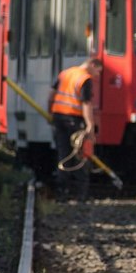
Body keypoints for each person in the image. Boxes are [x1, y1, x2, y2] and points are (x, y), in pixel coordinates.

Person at [49, 55, 101, 200]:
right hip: (74, 120)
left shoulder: (65, 73)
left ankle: (62, 192)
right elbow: (86, 104)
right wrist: (90, 125)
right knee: (81, 155)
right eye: (98, 71)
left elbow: (51, 95)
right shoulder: (85, 78)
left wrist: (50, 112)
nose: (97, 75)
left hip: (58, 118)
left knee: (63, 154)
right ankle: (81, 194)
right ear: (92, 65)